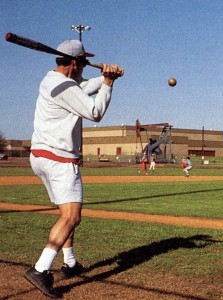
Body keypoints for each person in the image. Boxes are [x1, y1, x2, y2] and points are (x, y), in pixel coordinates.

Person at [24, 39, 124, 298]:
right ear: (75, 63)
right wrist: (108, 84)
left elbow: (82, 85)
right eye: (82, 61)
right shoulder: (65, 86)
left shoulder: (52, 80)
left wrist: (105, 77)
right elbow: (95, 111)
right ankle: (40, 269)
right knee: (72, 217)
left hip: (41, 157)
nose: (84, 65)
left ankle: (70, 263)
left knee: (66, 214)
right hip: (59, 160)